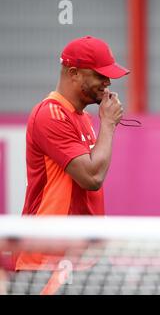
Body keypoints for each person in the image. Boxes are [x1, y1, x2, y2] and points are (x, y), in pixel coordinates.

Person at [15, 36, 129, 275]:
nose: (107, 83)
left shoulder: (82, 118)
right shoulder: (51, 115)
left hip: (84, 259)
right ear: (74, 73)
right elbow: (92, 177)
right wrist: (108, 124)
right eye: (100, 75)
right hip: (47, 262)